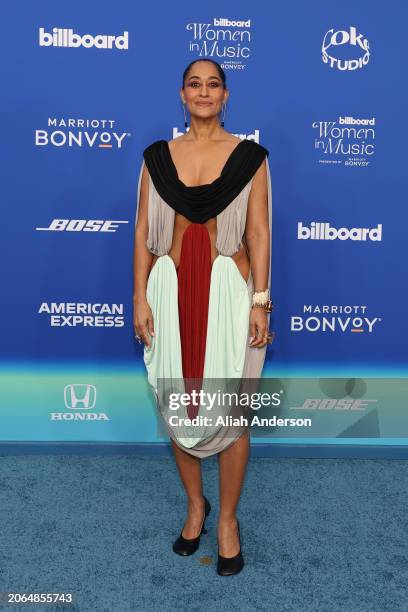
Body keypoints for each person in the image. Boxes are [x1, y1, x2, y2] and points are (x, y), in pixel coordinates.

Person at [133, 59, 273, 576]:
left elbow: (258, 235)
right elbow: (143, 233)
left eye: (214, 83)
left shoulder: (251, 158)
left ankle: (228, 521)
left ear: (226, 95)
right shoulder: (156, 158)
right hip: (169, 291)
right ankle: (196, 506)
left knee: (233, 415)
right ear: (182, 93)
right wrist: (139, 299)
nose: (204, 91)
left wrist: (260, 300)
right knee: (178, 408)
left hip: (231, 296)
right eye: (195, 83)